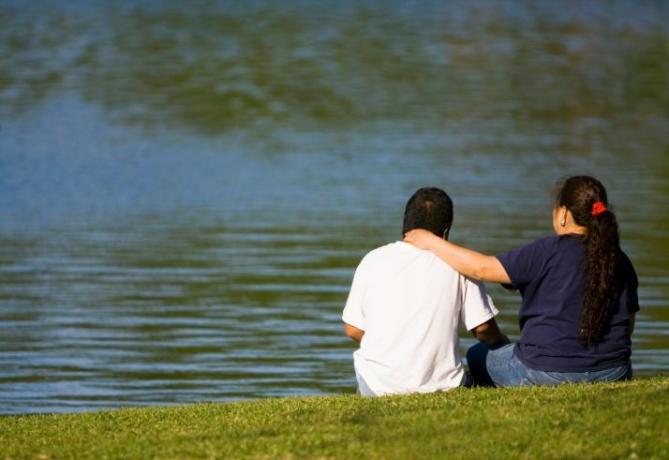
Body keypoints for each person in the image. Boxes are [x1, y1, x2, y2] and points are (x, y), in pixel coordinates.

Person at [404, 176, 638, 387]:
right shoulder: (621, 260)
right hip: (614, 371)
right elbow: (627, 325)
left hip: (547, 373)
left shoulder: (546, 251)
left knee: (477, 355)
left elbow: (481, 268)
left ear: (564, 214)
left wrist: (430, 240)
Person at [342, 187, 508, 396]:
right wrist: (501, 343)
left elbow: (352, 329)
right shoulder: (460, 266)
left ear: (405, 226)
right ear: (446, 231)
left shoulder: (372, 260)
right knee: (484, 354)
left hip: (375, 387)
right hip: (442, 388)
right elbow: (484, 329)